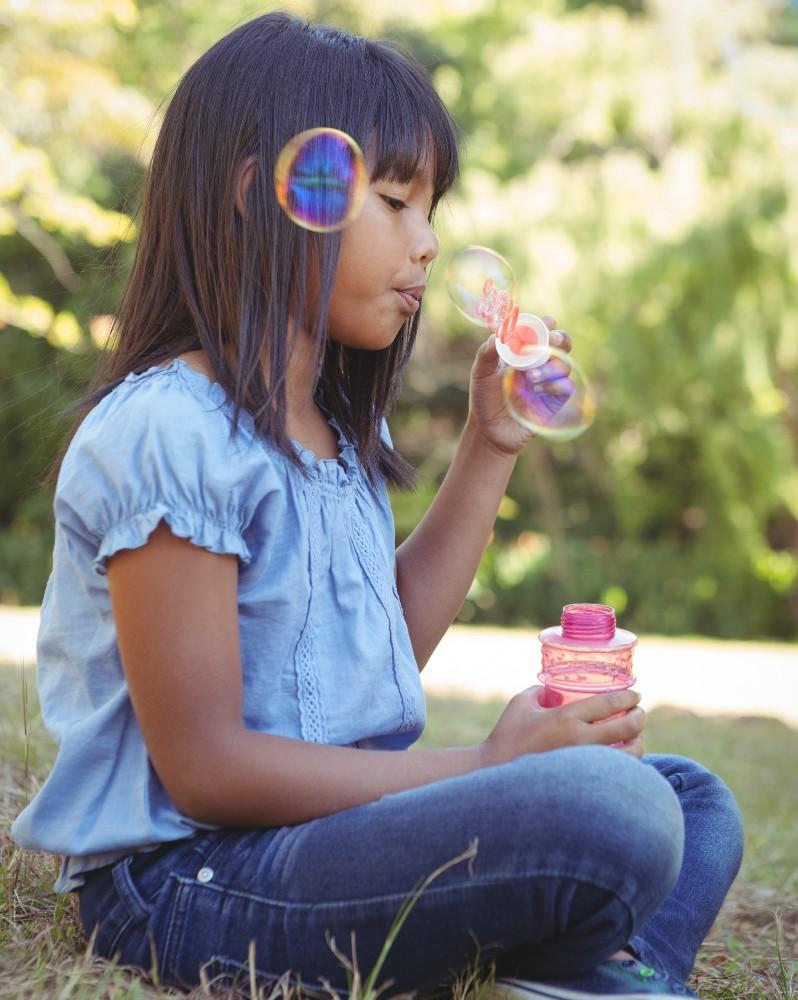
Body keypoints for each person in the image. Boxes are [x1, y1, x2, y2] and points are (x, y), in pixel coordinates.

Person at [11, 13, 744, 1000]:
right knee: (615, 813)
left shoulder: (335, 432)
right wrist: (486, 761)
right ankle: (587, 970)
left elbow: (379, 647)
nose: (430, 242)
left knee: (693, 800)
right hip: (188, 878)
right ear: (266, 198)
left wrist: (490, 444)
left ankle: (576, 973)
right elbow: (207, 770)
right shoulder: (172, 432)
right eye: (395, 201)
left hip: (321, 846)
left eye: (430, 208)